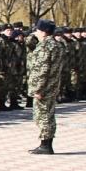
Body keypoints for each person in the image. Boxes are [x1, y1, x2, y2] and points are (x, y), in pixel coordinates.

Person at [27, 20, 65, 155]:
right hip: (53, 85)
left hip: (45, 87)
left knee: (43, 116)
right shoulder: (57, 45)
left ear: (43, 32)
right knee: (48, 114)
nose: (35, 32)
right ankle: (46, 143)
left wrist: (38, 89)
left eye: (37, 30)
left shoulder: (45, 46)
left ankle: (45, 145)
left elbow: (41, 70)